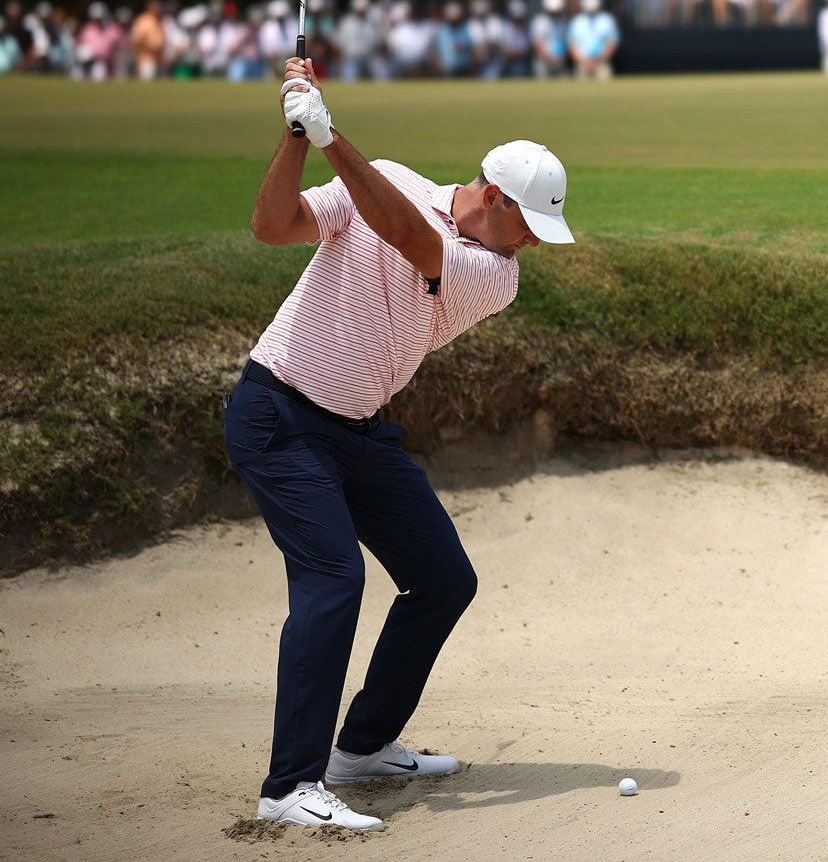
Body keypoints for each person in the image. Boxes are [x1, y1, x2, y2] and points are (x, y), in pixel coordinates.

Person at [233, 57, 574, 831]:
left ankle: (360, 747)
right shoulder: (387, 178)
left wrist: (331, 136)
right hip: (280, 414)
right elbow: (273, 227)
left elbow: (405, 233)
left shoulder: (494, 273)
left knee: (443, 577)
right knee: (335, 579)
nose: (532, 243)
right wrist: (296, 133)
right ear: (492, 196)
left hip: (353, 430)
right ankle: (289, 785)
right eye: (528, 222)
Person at [566, 0, 619, 80]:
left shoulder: (607, 20)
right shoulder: (576, 21)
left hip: (602, 64)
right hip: (581, 64)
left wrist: (599, 61)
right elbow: (571, 44)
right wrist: (583, 61)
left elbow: (612, 43)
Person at [529, 0, 569, 78]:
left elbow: (565, 41)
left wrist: (560, 57)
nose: (554, 13)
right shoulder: (539, 22)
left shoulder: (562, 22)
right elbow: (536, 42)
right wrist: (549, 57)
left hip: (559, 60)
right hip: (543, 61)